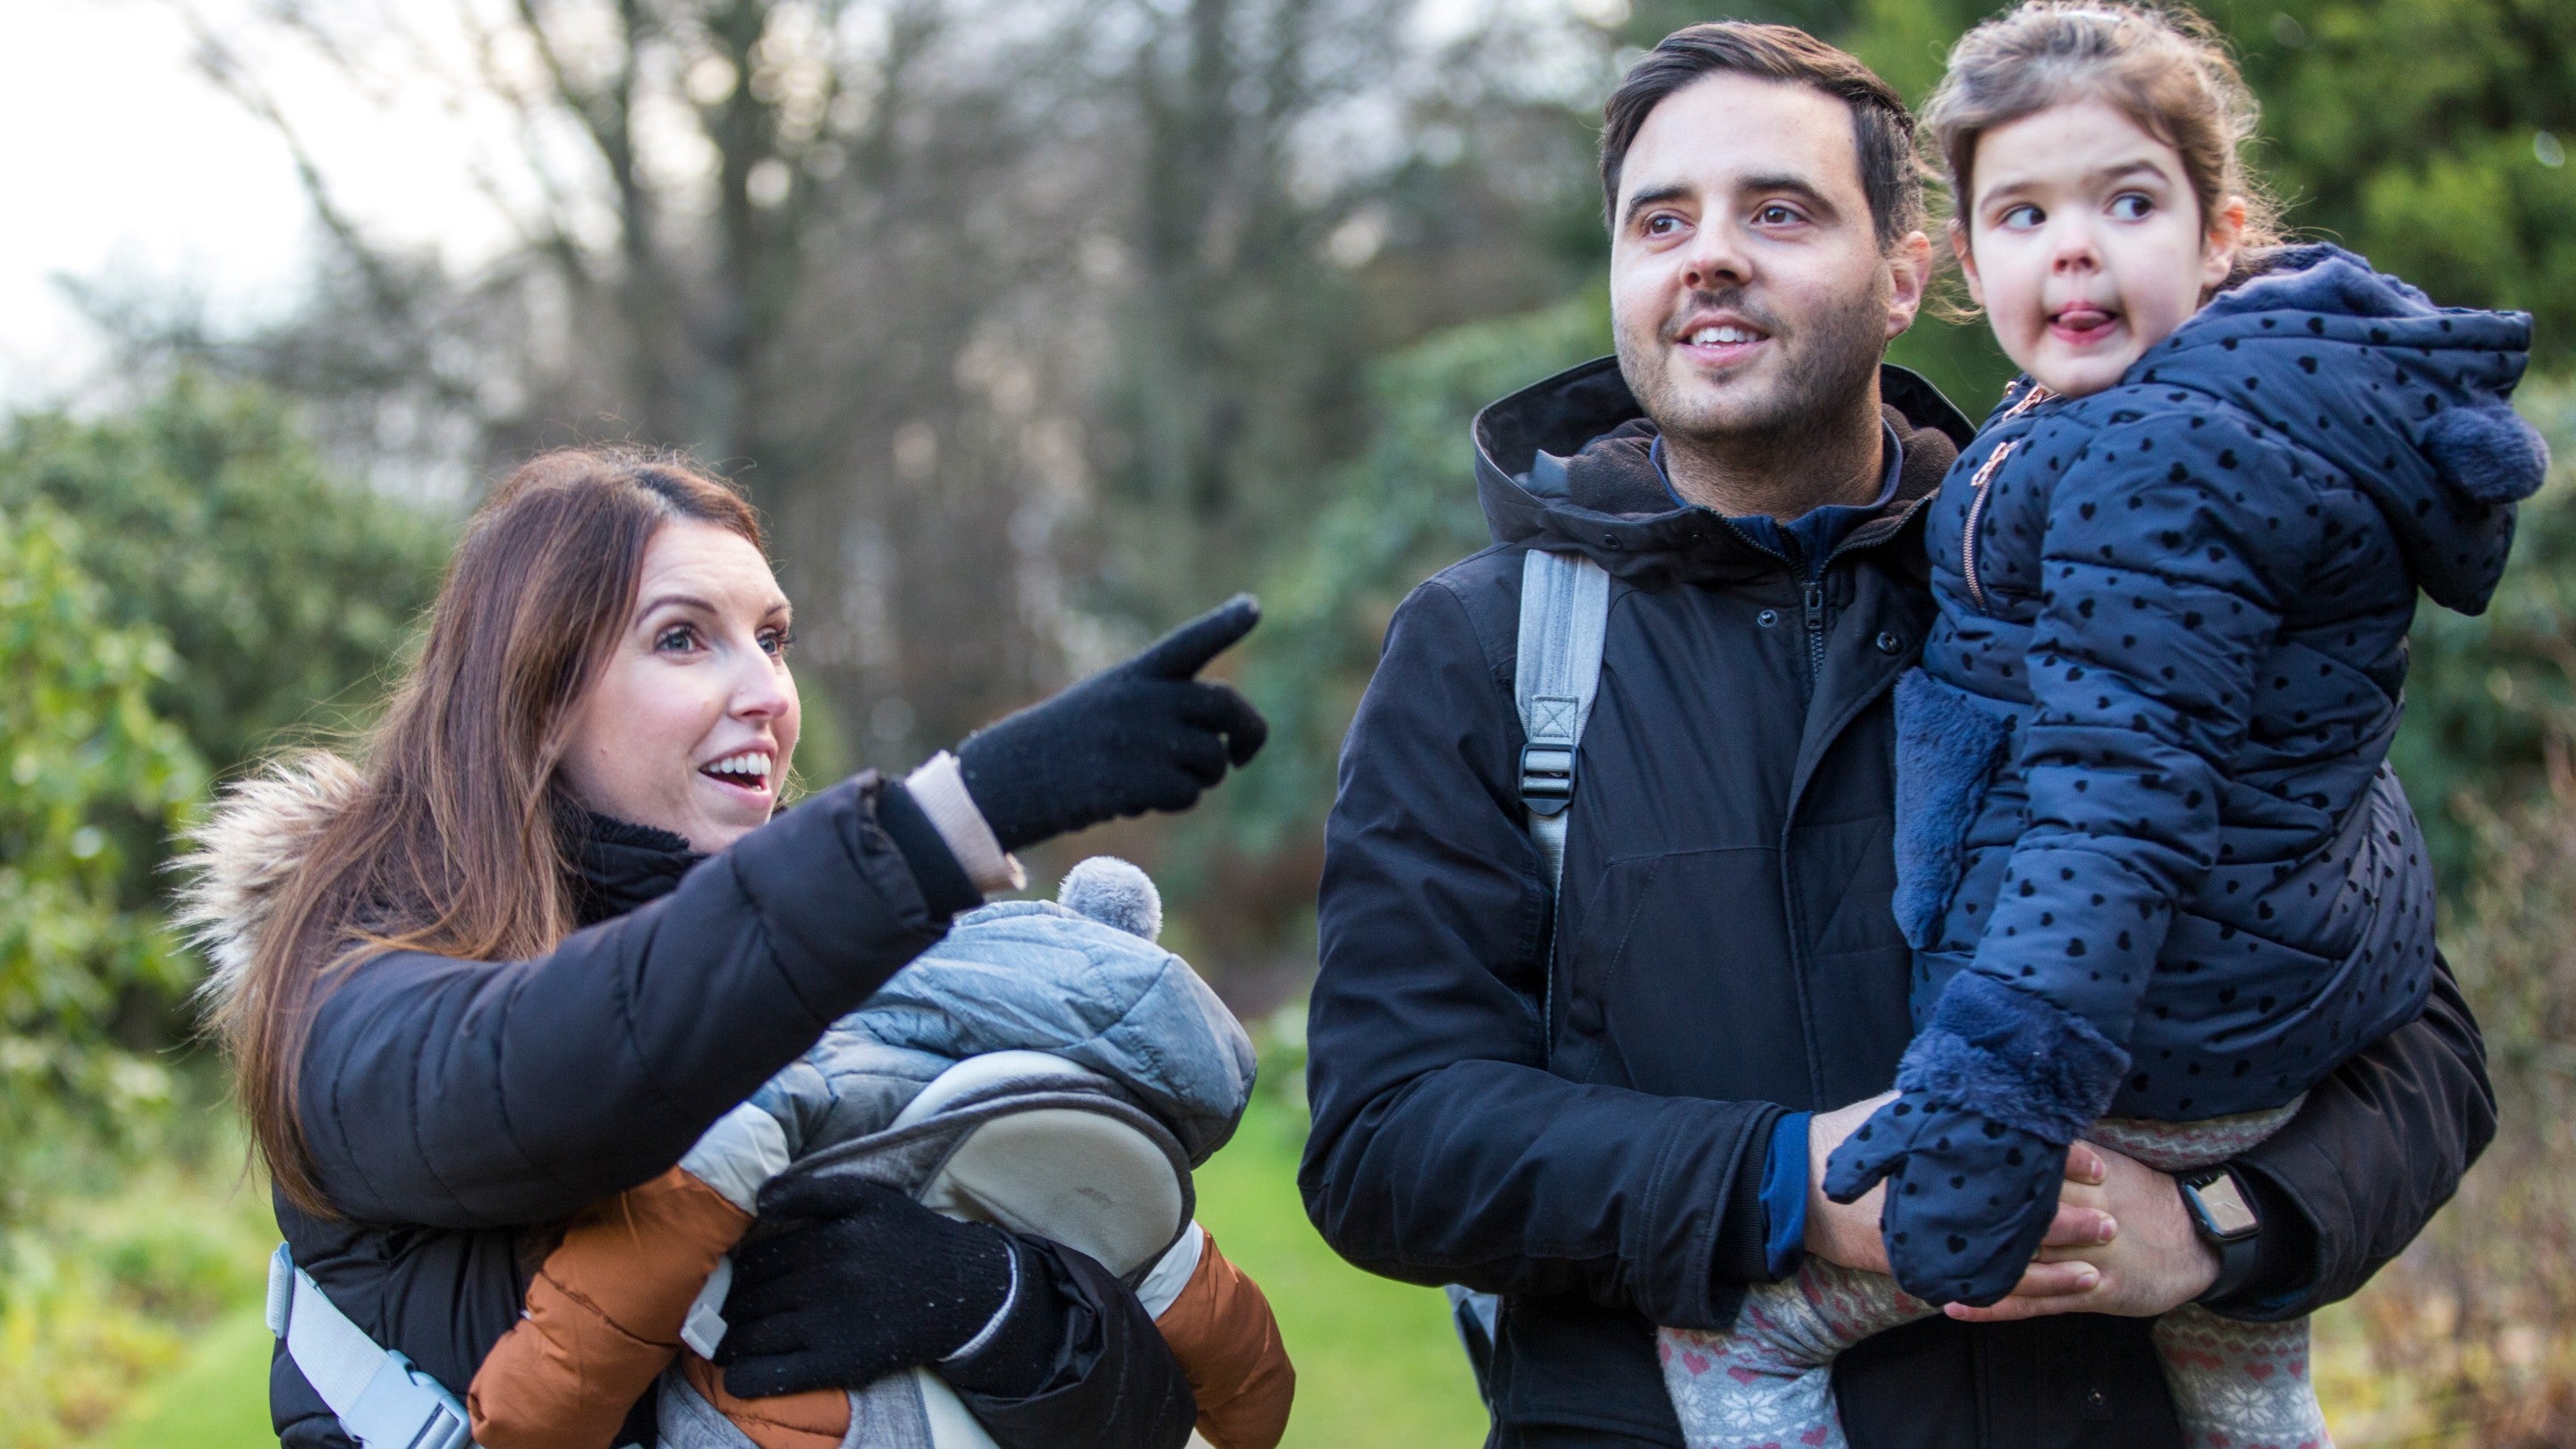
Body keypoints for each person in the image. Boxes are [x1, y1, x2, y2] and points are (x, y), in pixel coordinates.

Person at [1301, 21, 2496, 1449]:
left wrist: (2216, 1230)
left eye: (1781, 210)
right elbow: (1386, 1142)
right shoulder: (1486, 648)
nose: (1711, 255)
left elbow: (2415, 1037)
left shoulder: (2114, 575)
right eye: (1660, 220)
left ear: (1913, 276)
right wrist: (1783, 1182)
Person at [1654, 6, 2548, 1448]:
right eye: (2024, 211)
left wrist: (1995, 1083)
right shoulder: (2186, 411)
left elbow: (2114, 804)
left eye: (2125, 201)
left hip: (2134, 1051)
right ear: (1964, 261)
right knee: (2246, 1374)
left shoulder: (2162, 461)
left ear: (2221, 237)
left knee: (1739, 1345)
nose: (2072, 246)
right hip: (2254, 1027)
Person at [180, 448, 1267, 1449]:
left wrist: (992, 1307)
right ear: (538, 698)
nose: (767, 694)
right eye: (683, 637)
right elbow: (558, 1071)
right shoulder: (350, 982)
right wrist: (951, 819)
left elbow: (1155, 1420)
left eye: (773, 636)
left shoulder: (861, 986)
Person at [464, 854, 1296, 1449]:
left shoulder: (821, 1050)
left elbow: (666, 1231)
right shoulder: (1132, 1154)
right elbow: (1248, 1377)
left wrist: (528, 1420)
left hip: (786, 1412)